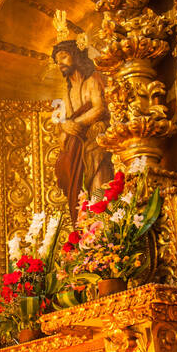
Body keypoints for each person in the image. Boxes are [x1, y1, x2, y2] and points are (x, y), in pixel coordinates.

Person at [51, 41, 113, 221]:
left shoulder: (92, 80)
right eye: (57, 60)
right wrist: (65, 126)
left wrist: (74, 123)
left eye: (63, 56)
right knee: (76, 184)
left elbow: (100, 108)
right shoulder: (67, 92)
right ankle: (87, 226)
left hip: (95, 138)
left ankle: (102, 221)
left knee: (98, 178)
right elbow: (62, 121)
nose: (60, 63)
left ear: (75, 56)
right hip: (77, 145)